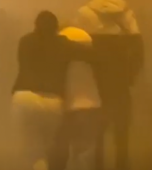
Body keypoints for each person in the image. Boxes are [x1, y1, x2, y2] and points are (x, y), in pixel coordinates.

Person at [74, 0, 144, 170]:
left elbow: (80, 50)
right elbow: (138, 47)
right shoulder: (126, 12)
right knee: (122, 134)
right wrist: (131, 76)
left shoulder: (84, 13)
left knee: (97, 133)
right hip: (121, 81)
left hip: (98, 80)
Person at [11, 11, 92, 170]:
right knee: (50, 148)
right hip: (52, 100)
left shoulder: (25, 41)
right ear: (56, 28)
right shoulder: (63, 43)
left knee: (33, 149)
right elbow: (90, 54)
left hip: (23, 97)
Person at [53, 26, 104, 170]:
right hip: (92, 107)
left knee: (64, 152)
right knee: (85, 155)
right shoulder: (93, 63)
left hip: (69, 109)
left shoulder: (60, 65)